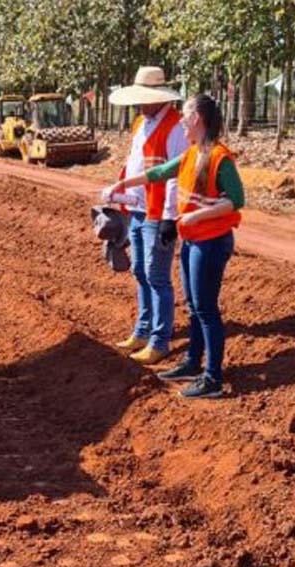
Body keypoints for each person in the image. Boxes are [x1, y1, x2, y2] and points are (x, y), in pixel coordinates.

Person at [103, 94, 245, 399]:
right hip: (193, 239)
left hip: (211, 241)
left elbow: (236, 199)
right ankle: (193, 362)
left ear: (197, 119)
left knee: (206, 309)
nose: (181, 119)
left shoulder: (219, 156)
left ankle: (213, 378)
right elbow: (158, 172)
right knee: (194, 306)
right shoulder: (193, 154)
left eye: (187, 114)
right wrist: (122, 185)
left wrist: (197, 214)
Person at [103, 67, 189, 365]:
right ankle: (142, 329)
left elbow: (178, 174)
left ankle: (160, 340)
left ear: (159, 98)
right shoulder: (142, 123)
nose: (139, 105)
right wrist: (120, 194)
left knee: (157, 276)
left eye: (144, 99)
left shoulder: (176, 127)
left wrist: (169, 217)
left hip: (158, 212)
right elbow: (135, 164)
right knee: (140, 271)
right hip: (137, 209)